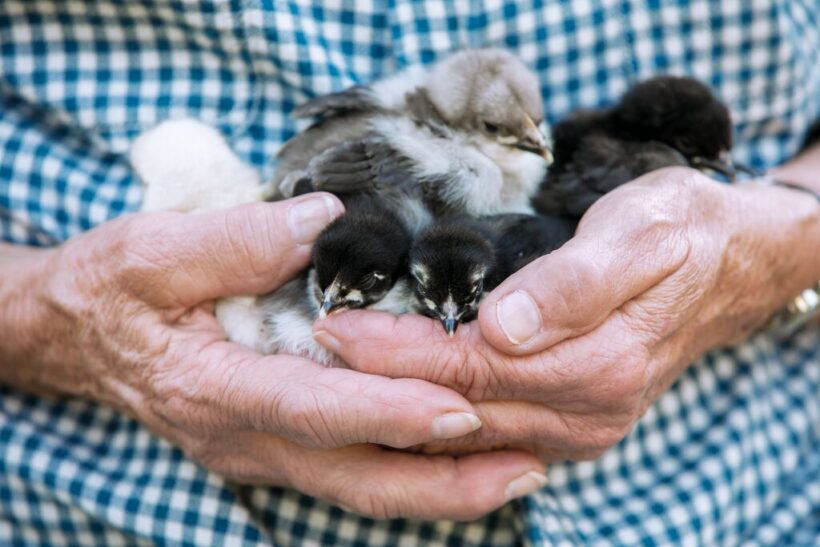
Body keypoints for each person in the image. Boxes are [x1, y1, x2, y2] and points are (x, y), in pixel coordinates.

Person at [0, 1, 817, 544]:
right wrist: (51, 315)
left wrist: (785, 240)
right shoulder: (415, 155)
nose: (533, 145)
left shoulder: (518, 161)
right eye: (510, 132)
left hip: (724, 495)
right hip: (129, 500)